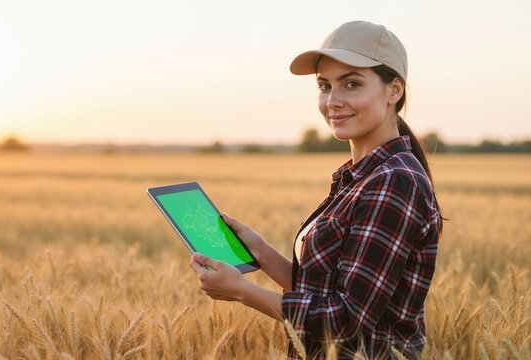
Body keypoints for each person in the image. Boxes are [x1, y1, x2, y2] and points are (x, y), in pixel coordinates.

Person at [189, 20, 442, 360]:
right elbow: (322, 291)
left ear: (394, 89)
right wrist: (261, 252)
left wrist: (243, 292)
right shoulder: (361, 177)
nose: (333, 101)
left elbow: (347, 318)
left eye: (352, 84)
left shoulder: (394, 181)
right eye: (325, 86)